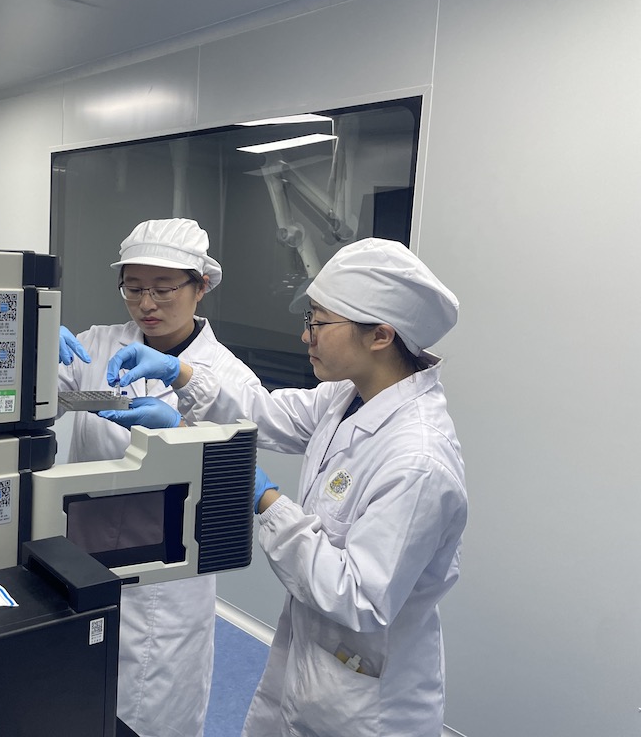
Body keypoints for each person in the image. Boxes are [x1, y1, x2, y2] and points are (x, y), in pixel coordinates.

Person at [102, 237, 467, 737]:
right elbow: (268, 414)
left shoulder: (418, 461)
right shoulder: (346, 398)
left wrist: (266, 500)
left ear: (380, 336)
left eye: (319, 322)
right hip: (315, 662)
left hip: (368, 701)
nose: (304, 335)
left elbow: (357, 596)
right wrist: (182, 374)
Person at [57, 217, 251, 737]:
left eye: (164, 289)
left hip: (167, 581)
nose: (147, 304)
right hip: (82, 551)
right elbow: (30, 395)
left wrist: (183, 428)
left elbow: (235, 472)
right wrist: (27, 349)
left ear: (200, 287)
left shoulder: (228, 375)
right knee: (69, 699)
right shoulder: (95, 345)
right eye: (134, 288)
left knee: (153, 713)